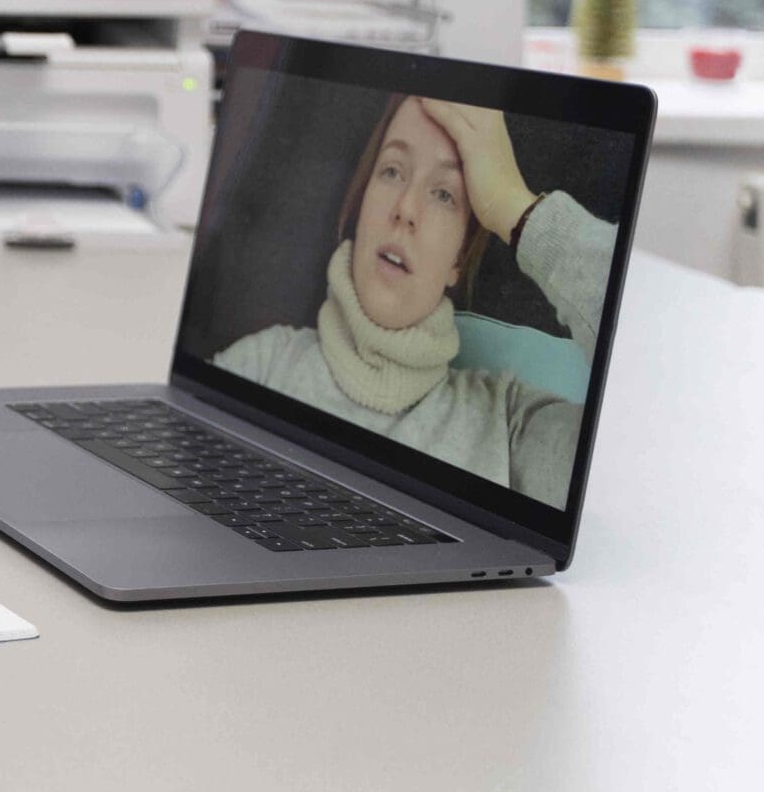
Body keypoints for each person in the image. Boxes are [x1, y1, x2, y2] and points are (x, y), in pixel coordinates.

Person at [209, 92, 617, 509]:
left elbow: (659, 394)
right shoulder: (262, 367)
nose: (405, 208)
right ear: (360, 203)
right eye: (391, 171)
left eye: (444, 194)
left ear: (458, 258)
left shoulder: (512, 431)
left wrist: (520, 213)